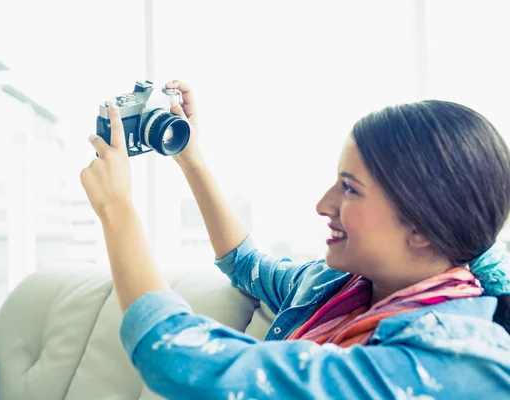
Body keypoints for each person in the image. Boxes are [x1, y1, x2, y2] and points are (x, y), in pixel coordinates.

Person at [80, 80, 510, 399]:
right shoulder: (335, 287)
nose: (324, 204)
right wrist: (188, 157)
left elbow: (175, 355)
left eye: (350, 188)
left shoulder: (452, 364)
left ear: (421, 225)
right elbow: (243, 262)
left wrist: (117, 210)